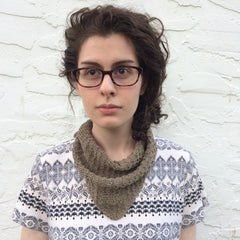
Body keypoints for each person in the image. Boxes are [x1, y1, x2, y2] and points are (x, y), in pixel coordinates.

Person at [12, 5, 208, 240]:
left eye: (122, 70)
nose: (107, 87)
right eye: (92, 72)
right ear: (76, 82)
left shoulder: (179, 166)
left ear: (144, 82)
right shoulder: (48, 169)